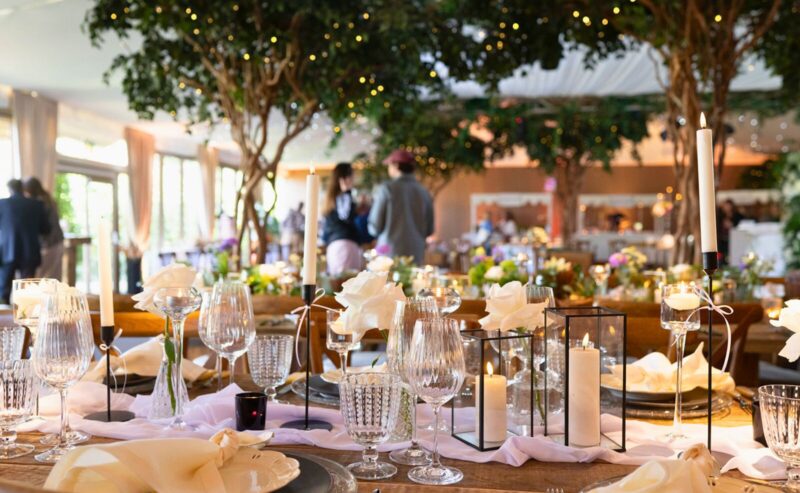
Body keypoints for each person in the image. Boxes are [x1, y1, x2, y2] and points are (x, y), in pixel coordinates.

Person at [368, 149, 434, 264]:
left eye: (389, 165)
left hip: (389, 256)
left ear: (396, 165)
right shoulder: (424, 191)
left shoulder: (387, 189)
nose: (388, 168)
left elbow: (375, 226)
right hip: (416, 255)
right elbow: (429, 229)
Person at [0, 179, 50, 303]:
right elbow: (46, 229)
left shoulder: (2, 204)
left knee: (3, 291)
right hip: (30, 252)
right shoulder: (37, 204)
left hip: (7, 251)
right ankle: (26, 319)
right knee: (28, 292)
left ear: (10, 189)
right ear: (22, 189)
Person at [323, 162, 363, 276]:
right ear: (347, 177)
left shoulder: (331, 198)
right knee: (347, 285)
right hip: (345, 246)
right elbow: (346, 217)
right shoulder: (344, 196)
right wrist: (348, 192)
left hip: (334, 245)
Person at [24, 177, 64, 280]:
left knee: (39, 278)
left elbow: (41, 226)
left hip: (47, 243)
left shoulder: (38, 203)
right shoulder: (49, 199)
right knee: (55, 277)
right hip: (58, 241)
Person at [718, 199, 744, 264]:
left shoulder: (737, 215)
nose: (727, 207)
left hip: (735, 239)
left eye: (729, 206)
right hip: (723, 239)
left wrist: (732, 225)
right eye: (726, 206)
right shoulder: (720, 215)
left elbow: (742, 224)